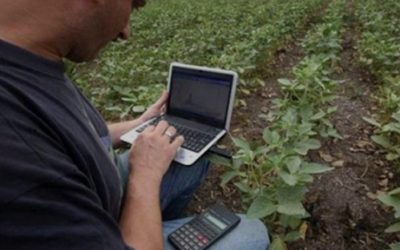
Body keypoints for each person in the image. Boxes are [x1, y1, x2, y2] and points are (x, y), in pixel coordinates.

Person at [0, 0, 270, 249]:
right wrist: (145, 177)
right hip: (112, 228)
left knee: (192, 154)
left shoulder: (31, 56)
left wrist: (139, 124)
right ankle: (150, 231)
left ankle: (152, 221)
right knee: (253, 233)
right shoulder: (15, 152)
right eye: (133, 3)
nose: (126, 32)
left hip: (100, 184)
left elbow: (68, 132)